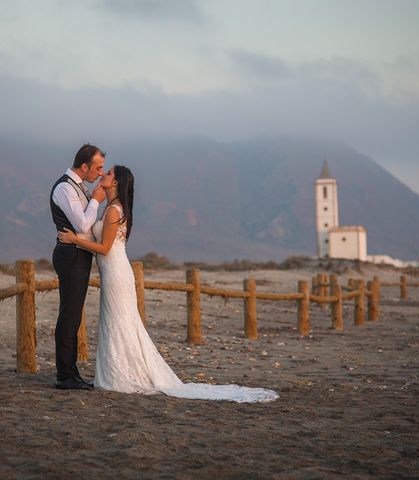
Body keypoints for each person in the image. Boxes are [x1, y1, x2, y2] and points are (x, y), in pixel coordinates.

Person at [58, 165, 278, 403]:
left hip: (116, 274)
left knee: (120, 322)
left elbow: (104, 248)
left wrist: (73, 240)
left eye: (108, 173)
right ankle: (115, 374)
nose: (103, 175)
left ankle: (121, 376)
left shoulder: (113, 211)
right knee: (117, 322)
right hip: (112, 272)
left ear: (117, 183)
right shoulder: (110, 208)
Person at [50, 144, 106, 390]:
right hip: (70, 255)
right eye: (99, 167)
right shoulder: (64, 188)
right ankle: (65, 375)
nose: (101, 173)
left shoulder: (78, 187)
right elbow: (83, 224)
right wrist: (95, 200)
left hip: (78, 254)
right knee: (69, 316)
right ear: (84, 166)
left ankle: (71, 372)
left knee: (73, 316)